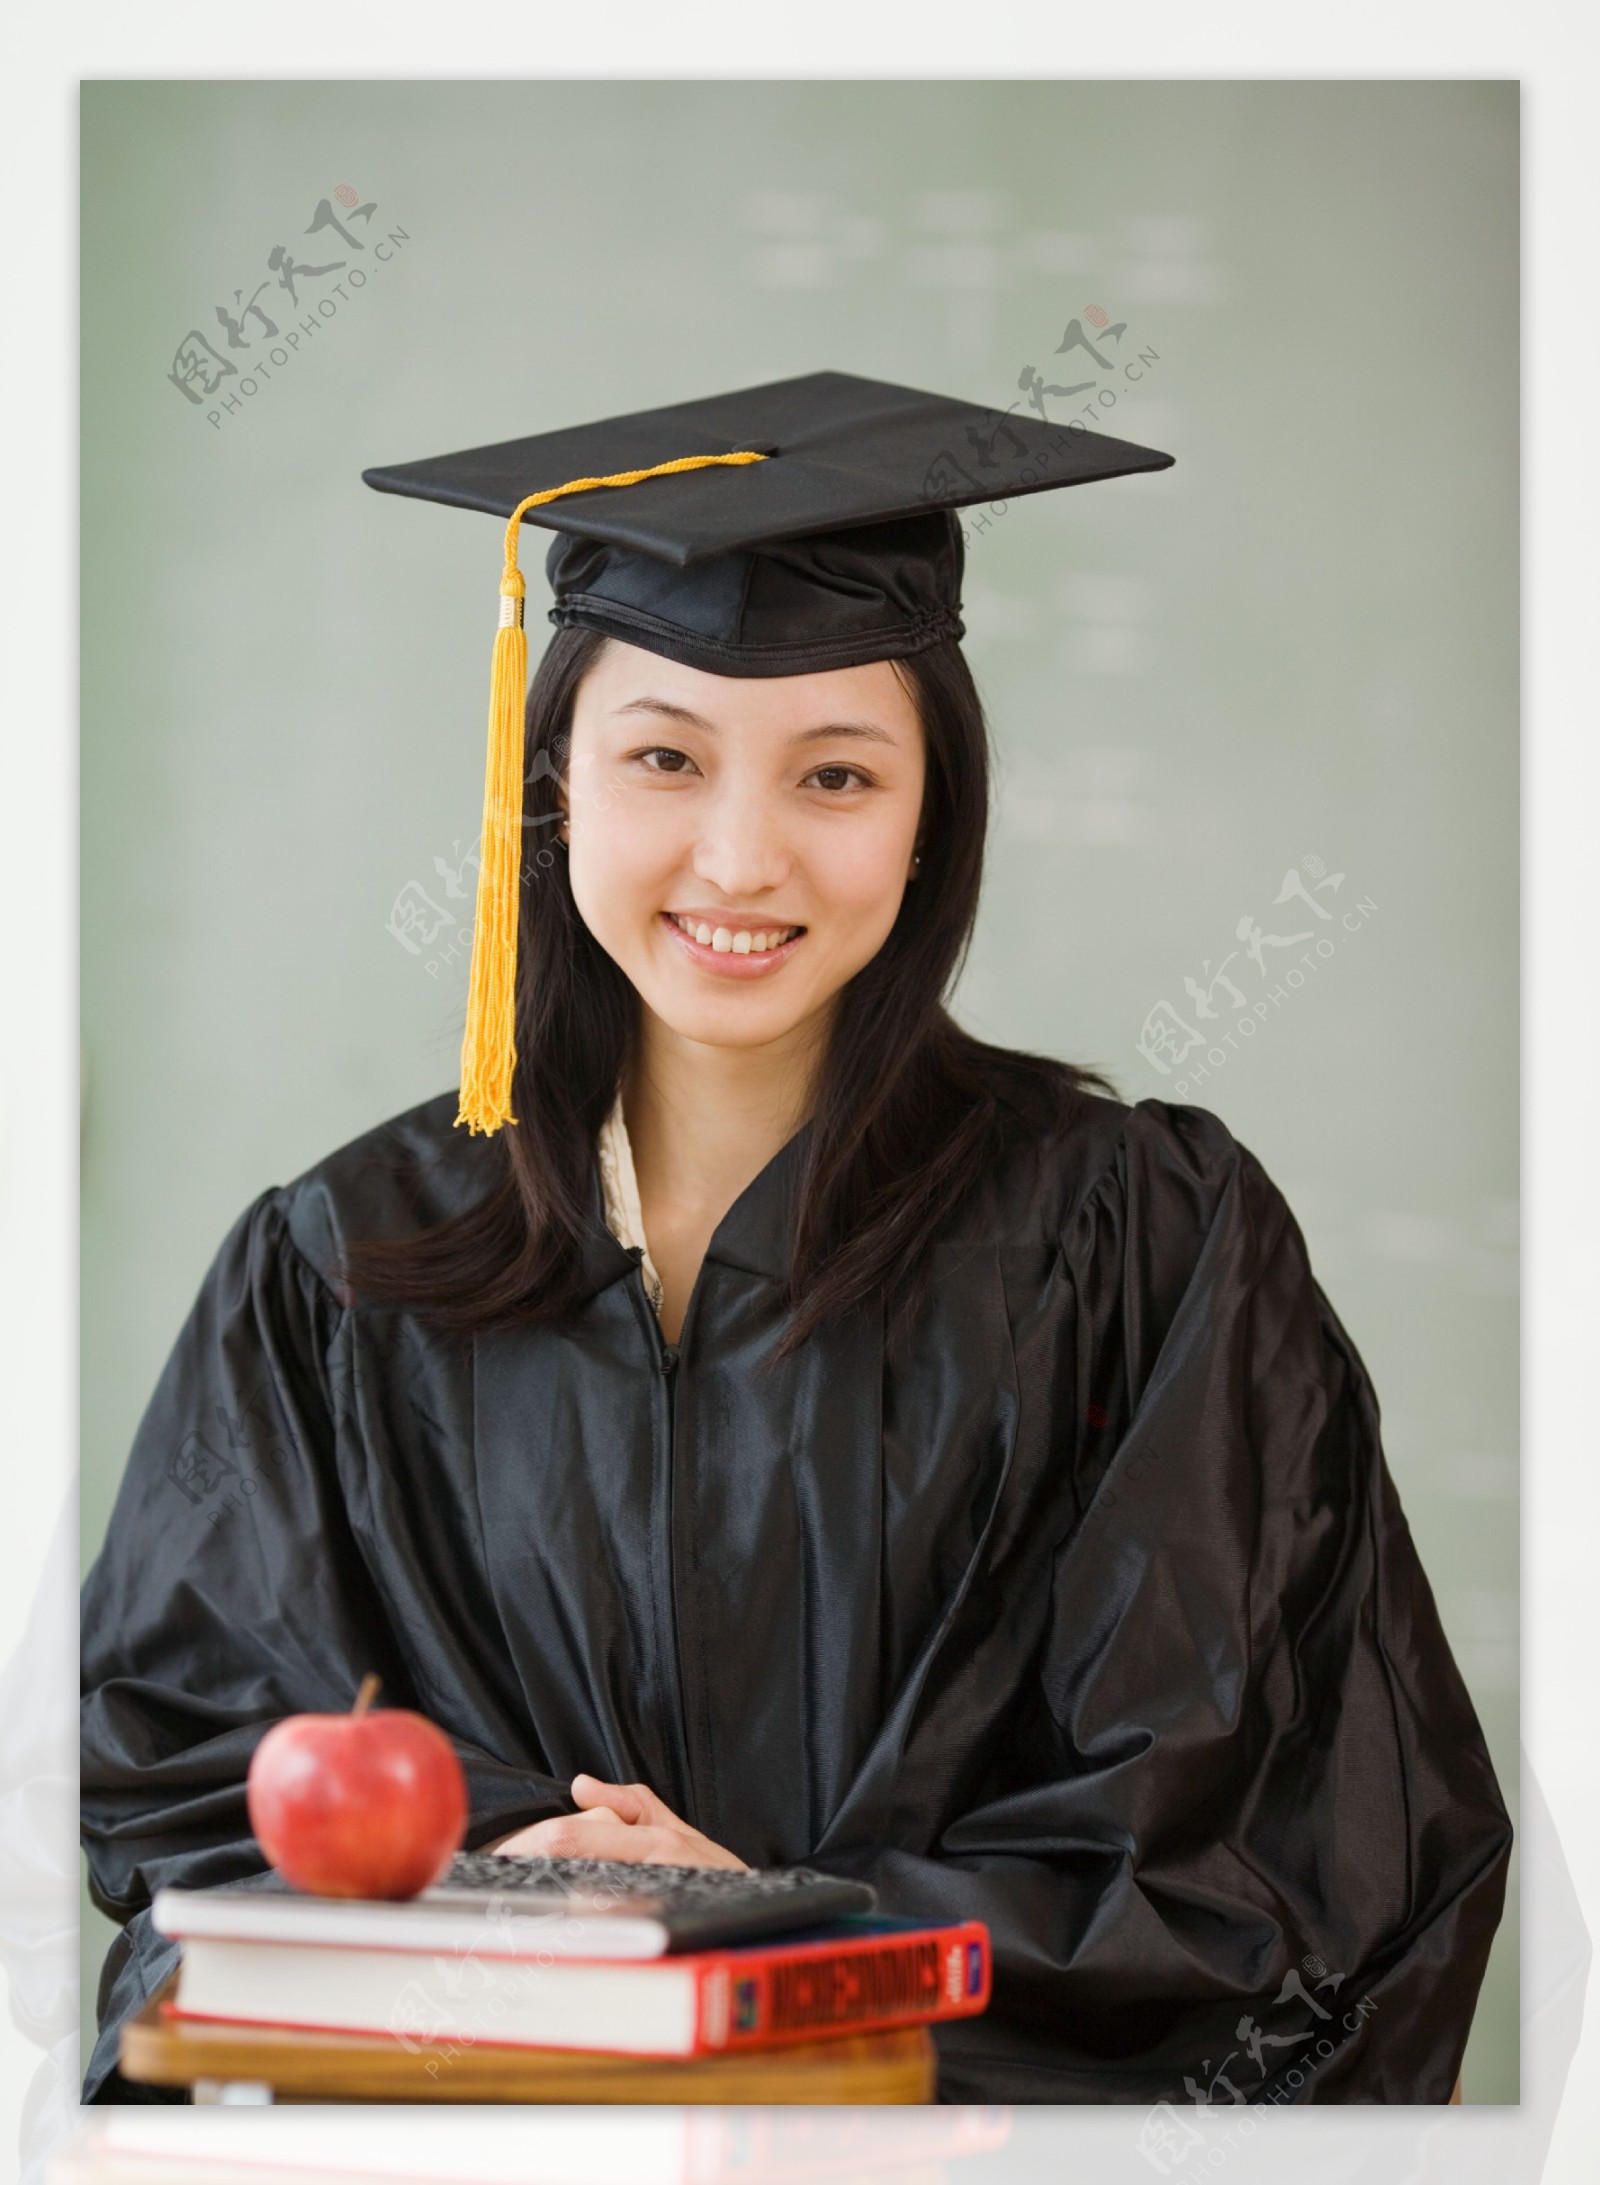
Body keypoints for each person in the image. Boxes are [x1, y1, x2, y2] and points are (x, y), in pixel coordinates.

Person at [80, 372, 1511, 2105]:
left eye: (837, 772)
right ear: (552, 793)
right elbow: (178, 1796)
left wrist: (773, 1935)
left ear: (929, 824)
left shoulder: (1146, 1248)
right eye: (664, 757)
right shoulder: (338, 1268)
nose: (741, 856)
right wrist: (524, 1873)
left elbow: (1276, 1851)